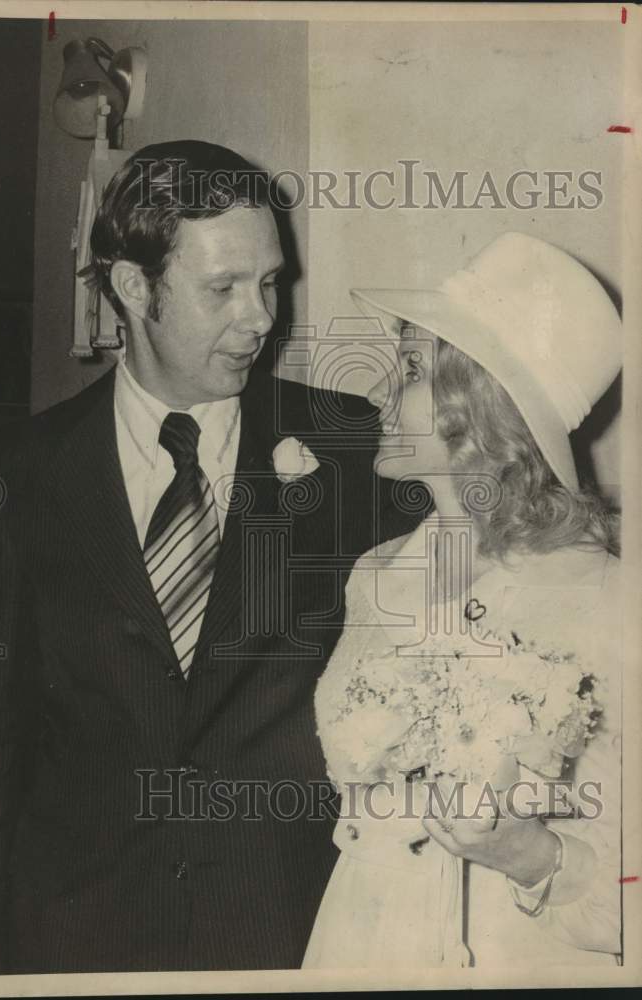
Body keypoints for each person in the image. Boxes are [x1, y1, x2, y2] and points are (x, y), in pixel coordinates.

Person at [0, 140, 415, 974]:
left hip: (290, 932)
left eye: (270, 282)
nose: (261, 317)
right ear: (132, 287)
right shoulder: (15, 476)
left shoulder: (351, 448)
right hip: (78, 936)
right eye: (223, 288)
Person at [303, 232, 623, 968]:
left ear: (477, 400)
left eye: (411, 369)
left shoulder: (606, 599)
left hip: (515, 956)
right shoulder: (375, 574)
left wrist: (530, 853)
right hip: (359, 940)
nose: (383, 393)